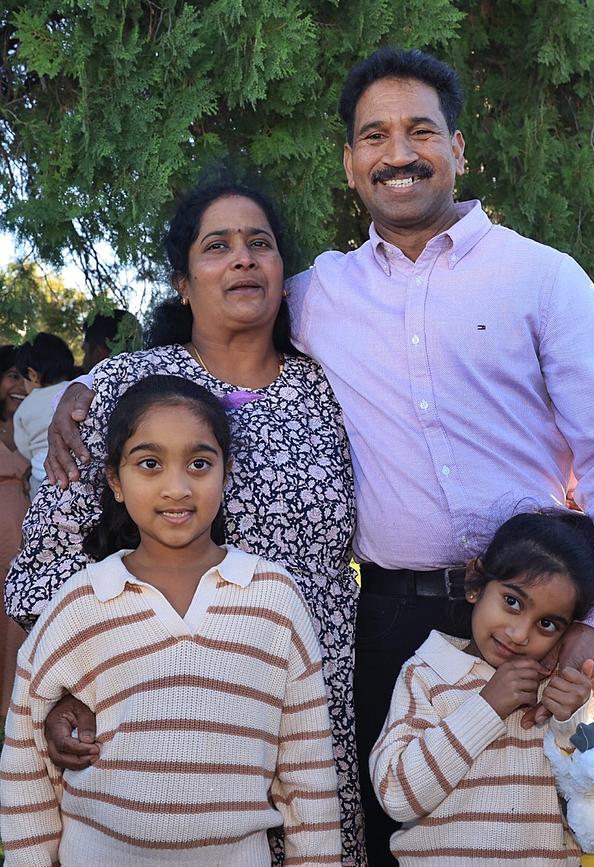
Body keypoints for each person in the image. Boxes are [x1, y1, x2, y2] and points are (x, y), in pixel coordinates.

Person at [34, 49, 594, 864]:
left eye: (420, 130)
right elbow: (208, 327)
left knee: (531, 835)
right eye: (374, 136)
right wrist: (59, 405)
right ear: (350, 162)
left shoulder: (543, 279)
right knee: (395, 835)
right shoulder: (319, 292)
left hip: (530, 618)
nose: (398, 152)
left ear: (458, 149)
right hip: (389, 628)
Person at [5, 181, 363, 865]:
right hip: (156, 734)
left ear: (284, 273)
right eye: (217, 246)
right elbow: (40, 572)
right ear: (182, 281)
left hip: (309, 720)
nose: (243, 260)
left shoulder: (326, 386)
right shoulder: (120, 387)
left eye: (260, 244)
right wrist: (61, 694)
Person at [0, 374, 342, 866]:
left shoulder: (273, 599)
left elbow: (307, 767)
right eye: (150, 464)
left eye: (199, 463)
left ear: (226, 474)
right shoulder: (82, 601)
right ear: (115, 482)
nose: (177, 487)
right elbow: (26, 749)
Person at [371, 509, 594, 866]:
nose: (519, 634)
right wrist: (486, 708)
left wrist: (574, 719)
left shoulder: (561, 690)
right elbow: (397, 796)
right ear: (475, 584)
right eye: (512, 602)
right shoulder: (428, 674)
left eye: (546, 623)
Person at [0, 345, 29, 716]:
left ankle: (12, 705)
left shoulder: (38, 425)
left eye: (25, 375)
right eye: (12, 375)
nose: (21, 384)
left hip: (22, 534)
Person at [13, 332, 75, 498]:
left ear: (32, 375)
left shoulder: (24, 408)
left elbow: (24, 447)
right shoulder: (76, 390)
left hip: (43, 477)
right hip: (78, 469)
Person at [81, 307, 142, 373]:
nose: (83, 362)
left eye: (85, 352)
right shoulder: (148, 378)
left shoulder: (87, 382)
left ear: (99, 354)